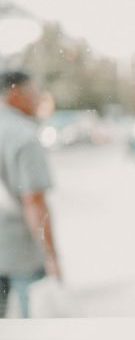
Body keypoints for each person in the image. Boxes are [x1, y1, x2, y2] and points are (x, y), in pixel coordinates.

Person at [0, 71, 61, 318]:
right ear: (15, 94)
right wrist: (51, 256)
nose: (38, 100)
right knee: (28, 333)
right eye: (34, 93)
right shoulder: (22, 135)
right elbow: (34, 201)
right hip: (19, 252)